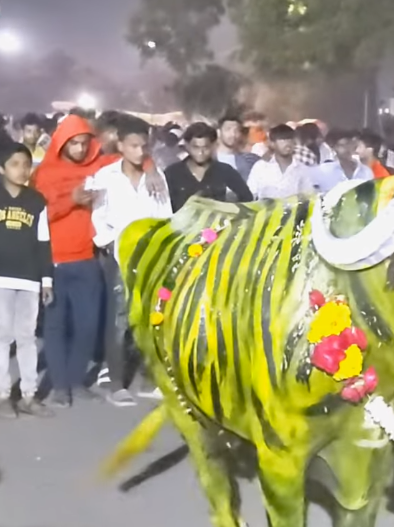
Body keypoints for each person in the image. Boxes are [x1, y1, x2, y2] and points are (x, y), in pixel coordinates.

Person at [91, 117, 174, 407]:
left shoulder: (156, 176)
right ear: (121, 145)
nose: (140, 151)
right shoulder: (106, 177)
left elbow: (166, 216)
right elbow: (98, 217)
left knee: (152, 317)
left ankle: (150, 378)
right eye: (134, 146)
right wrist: (110, 243)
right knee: (119, 320)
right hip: (118, 257)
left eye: (144, 145)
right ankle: (116, 383)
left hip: (152, 257)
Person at [31, 115, 110, 408]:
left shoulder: (97, 168)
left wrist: (151, 171)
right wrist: (71, 201)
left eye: (83, 143)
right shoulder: (45, 174)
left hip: (87, 260)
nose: (79, 149)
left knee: (88, 325)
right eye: (73, 143)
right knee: (55, 326)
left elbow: (131, 156)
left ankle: (76, 379)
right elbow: (39, 216)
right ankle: (61, 386)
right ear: (62, 143)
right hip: (54, 262)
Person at [0, 141, 54, 418]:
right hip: (1, 279)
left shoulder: (36, 201)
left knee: (27, 338)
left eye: (26, 164)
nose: (22, 170)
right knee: (2, 338)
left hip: (29, 279)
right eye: (15, 164)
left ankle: (29, 396)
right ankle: (2, 396)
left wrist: (47, 280)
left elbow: (44, 242)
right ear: (2, 168)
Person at [166, 122, 253, 212]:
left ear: (213, 146)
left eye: (205, 147)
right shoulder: (172, 173)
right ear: (187, 146)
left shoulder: (224, 171)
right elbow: (164, 206)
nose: (201, 152)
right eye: (196, 147)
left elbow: (247, 198)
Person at [246, 125, 316, 200]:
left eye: (290, 139)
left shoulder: (302, 169)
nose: (287, 144)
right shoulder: (260, 167)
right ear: (272, 143)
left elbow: (309, 197)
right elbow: (250, 194)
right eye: (282, 140)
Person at [311, 128, 375, 193]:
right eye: (343, 145)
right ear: (334, 148)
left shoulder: (366, 172)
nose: (347, 149)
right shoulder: (323, 171)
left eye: (350, 144)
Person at [215, 114, 260, 180]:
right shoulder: (206, 160)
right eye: (228, 129)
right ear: (218, 132)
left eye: (236, 130)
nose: (233, 134)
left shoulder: (250, 160)